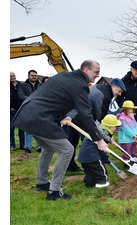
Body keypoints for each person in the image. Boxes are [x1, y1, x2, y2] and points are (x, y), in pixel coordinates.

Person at [11, 59, 109, 200]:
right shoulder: (80, 85)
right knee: (67, 150)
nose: (98, 76)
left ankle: (42, 183)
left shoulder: (64, 76)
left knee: (48, 148)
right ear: (86, 70)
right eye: (96, 72)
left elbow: (54, 96)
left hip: (27, 113)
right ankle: (54, 192)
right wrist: (99, 139)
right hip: (39, 118)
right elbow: (86, 114)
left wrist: (64, 116)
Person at [66, 78, 126, 172]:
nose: (120, 94)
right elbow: (99, 119)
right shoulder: (104, 95)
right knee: (90, 141)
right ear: (113, 86)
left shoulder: (102, 88)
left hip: (74, 114)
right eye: (119, 91)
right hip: (80, 116)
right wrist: (106, 136)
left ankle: (70, 165)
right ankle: (92, 166)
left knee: (72, 141)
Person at [77, 114, 121, 188]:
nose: (115, 128)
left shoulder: (96, 131)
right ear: (109, 127)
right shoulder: (101, 136)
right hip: (92, 157)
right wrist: (106, 159)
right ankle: (103, 184)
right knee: (101, 171)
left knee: (89, 172)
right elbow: (101, 150)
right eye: (115, 126)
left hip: (83, 157)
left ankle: (89, 184)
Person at [18, 69, 42, 153]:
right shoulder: (23, 85)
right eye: (32, 75)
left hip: (39, 108)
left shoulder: (41, 85)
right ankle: (28, 147)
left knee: (39, 129)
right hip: (28, 108)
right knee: (28, 129)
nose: (34, 77)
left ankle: (39, 147)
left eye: (35, 75)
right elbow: (20, 95)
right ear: (28, 76)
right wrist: (31, 99)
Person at [116, 100, 137, 167]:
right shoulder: (121, 117)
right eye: (130, 108)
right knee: (127, 152)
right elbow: (125, 128)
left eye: (132, 109)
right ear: (125, 109)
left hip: (133, 139)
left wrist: (136, 134)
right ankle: (126, 164)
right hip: (125, 140)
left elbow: (136, 126)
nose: (131, 110)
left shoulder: (132, 117)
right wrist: (133, 135)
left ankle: (134, 164)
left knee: (134, 152)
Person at [10, 71, 25, 151]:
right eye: (10, 76)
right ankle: (12, 145)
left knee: (21, 128)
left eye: (13, 76)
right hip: (12, 110)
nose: (13, 77)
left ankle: (22, 145)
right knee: (11, 128)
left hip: (21, 109)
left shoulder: (21, 85)